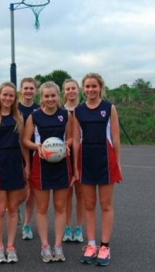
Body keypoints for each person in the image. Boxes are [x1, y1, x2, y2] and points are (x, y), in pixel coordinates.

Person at [73, 73, 122, 266]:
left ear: (100, 87)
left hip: (105, 160)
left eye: (94, 86)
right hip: (85, 161)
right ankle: (91, 244)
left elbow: (116, 138)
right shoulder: (78, 111)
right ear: (83, 89)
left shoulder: (109, 108)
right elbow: (76, 140)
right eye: (87, 86)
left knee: (106, 205)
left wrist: (117, 163)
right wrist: (76, 166)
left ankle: (105, 246)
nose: (91, 89)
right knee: (89, 204)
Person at [23, 81, 73, 263]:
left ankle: (58, 245)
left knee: (60, 207)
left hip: (61, 166)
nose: (50, 99)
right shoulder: (35, 117)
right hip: (41, 166)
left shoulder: (65, 115)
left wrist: (63, 146)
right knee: (42, 208)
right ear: (41, 97)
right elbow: (25, 140)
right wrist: (39, 147)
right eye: (46, 96)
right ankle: (45, 246)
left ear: (58, 96)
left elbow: (72, 137)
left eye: (53, 95)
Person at [0, 82, 29, 264]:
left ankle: (11, 246)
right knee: (0, 209)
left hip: (15, 165)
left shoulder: (19, 116)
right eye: (5, 95)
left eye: (11, 95)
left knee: (13, 209)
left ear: (15, 98)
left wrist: (26, 165)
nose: (8, 98)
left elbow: (22, 143)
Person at [62, 79, 84, 243]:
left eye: (73, 88)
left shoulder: (84, 109)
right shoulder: (60, 111)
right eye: (68, 89)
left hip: (83, 153)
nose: (71, 91)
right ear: (64, 91)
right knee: (67, 194)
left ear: (78, 90)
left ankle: (80, 227)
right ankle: (67, 227)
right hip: (64, 154)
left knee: (81, 193)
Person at [18, 77, 40, 240]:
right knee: (19, 194)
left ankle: (27, 225)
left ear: (35, 91)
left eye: (31, 88)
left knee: (31, 193)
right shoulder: (13, 107)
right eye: (26, 88)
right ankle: (15, 209)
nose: (28, 91)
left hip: (32, 153)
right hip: (13, 154)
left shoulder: (39, 110)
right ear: (21, 89)